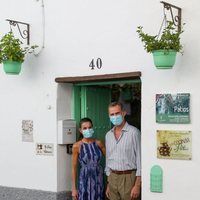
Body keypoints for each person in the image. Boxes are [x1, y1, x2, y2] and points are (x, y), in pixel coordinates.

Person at [105, 102, 141, 200]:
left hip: (129, 178)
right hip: (112, 178)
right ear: (109, 116)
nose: (115, 116)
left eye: (117, 113)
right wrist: (109, 183)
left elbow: (140, 160)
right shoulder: (108, 135)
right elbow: (108, 159)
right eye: (112, 114)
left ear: (124, 113)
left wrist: (137, 185)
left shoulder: (134, 133)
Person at [72, 117, 106, 200]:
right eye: (85, 128)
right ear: (80, 130)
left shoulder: (99, 143)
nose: (88, 130)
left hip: (98, 179)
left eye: (90, 127)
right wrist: (74, 188)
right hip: (84, 180)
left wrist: (109, 182)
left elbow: (110, 161)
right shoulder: (77, 146)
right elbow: (74, 168)